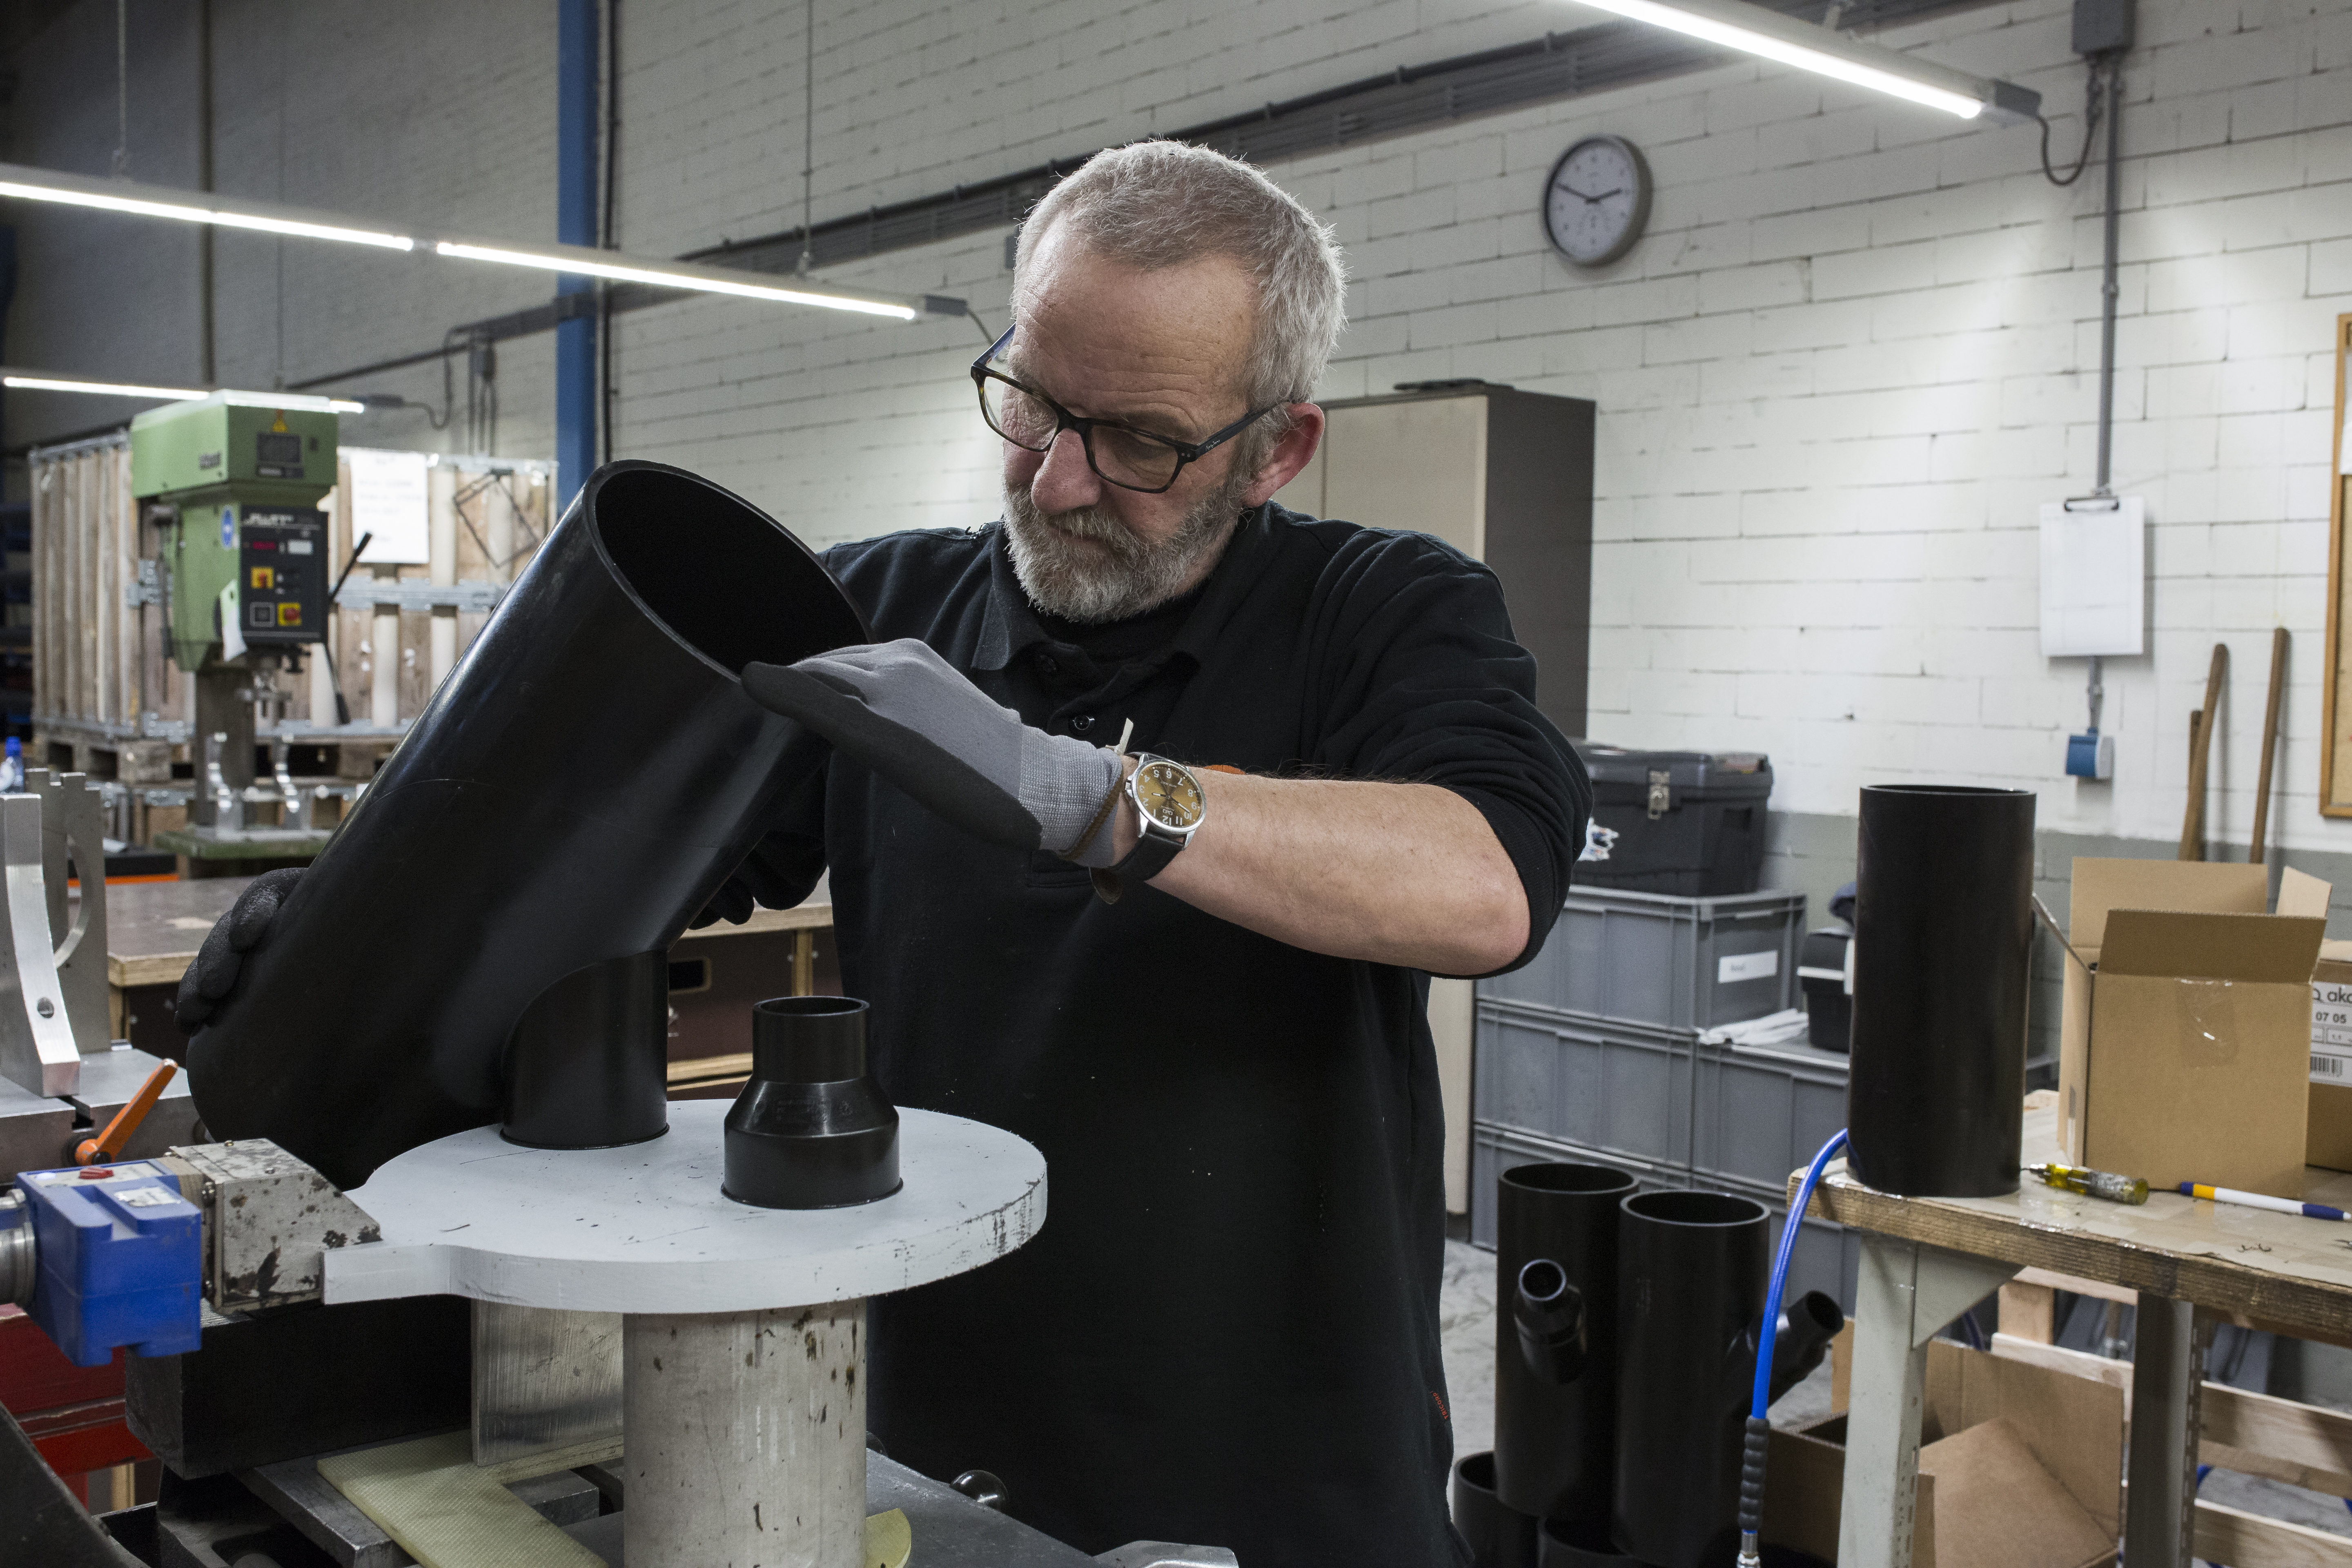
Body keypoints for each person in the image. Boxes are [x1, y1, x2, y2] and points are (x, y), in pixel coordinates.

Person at [183, 141, 1587, 1564]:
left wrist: (1078, 790)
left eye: (1141, 443)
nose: (1055, 481)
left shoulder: (1383, 610)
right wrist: (366, 916)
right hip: (915, 1428)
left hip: (1279, 1460)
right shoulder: (881, 614)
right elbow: (622, 863)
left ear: (1275, 448)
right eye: (1032, 403)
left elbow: (1485, 883)